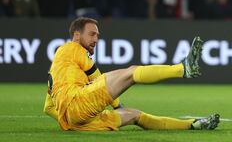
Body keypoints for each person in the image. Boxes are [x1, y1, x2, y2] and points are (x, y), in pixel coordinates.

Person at [43, 17, 220, 131]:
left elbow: (48, 108)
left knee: (136, 116)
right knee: (131, 73)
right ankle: (182, 69)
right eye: (91, 34)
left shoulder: (59, 68)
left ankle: (193, 125)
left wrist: (70, 120)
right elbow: (96, 78)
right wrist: (117, 105)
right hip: (79, 104)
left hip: (77, 123)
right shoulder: (71, 48)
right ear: (76, 35)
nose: (96, 40)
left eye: (98, 35)